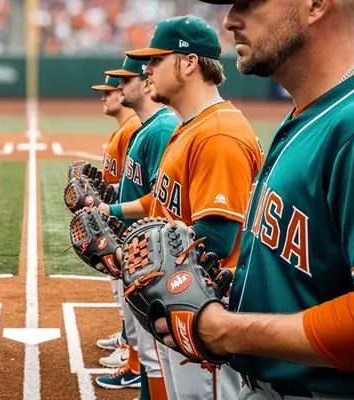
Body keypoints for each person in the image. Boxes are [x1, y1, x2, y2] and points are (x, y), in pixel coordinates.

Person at [153, 0, 354, 398]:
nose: (230, 20)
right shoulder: (315, 113)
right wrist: (236, 291)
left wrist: (224, 330)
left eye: (250, 3)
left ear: (315, 5)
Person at [107, 15, 264, 400]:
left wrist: (138, 261)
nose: (146, 70)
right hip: (180, 296)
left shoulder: (219, 134)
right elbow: (163, 206)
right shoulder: (191, 126)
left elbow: (217, 240)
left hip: (204, 307)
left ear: (189, 62)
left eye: (157, 60)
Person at [94, 57, 180, 399]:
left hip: (148, 249)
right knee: (148, 349)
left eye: (123, 81)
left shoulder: (158, 130)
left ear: (145, 85)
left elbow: (157, 198)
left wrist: (108, 207)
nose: (117, 89)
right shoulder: (147, 128)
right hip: (135, 244)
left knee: (154, 352)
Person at [88, 74, 144, 383]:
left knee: (128, 293)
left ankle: (131, 353)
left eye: (109, 92)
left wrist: (109, 208)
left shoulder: (132, 129)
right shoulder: (124, 130)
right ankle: (127, 341)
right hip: (121, 223)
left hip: (131, 228)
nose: (105, 97)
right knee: (122, 293)